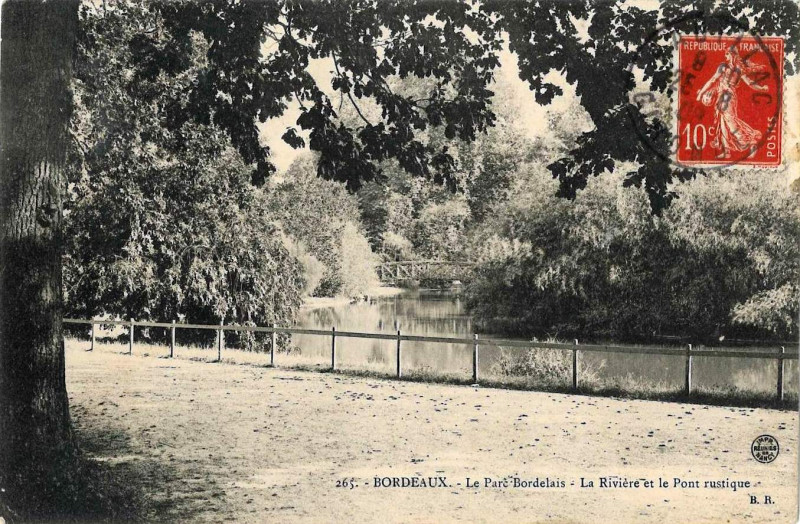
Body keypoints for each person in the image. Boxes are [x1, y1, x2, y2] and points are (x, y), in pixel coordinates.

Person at [695, 45, 769, 159]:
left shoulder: (729, 68)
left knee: (730, 122)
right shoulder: (735, 69)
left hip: (727, 97)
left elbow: (713, 80)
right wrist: (762, 88)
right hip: (724, 96)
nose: (726, 56)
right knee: (723, 123)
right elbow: (750, 83)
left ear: (732, 55)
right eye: (726, 54)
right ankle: (727, 151)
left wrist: (762, 88)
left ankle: (751, 143)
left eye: (727, 54)